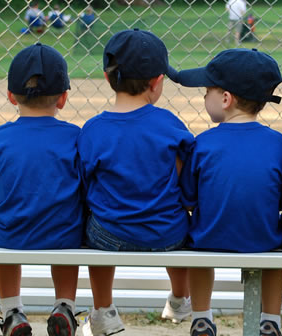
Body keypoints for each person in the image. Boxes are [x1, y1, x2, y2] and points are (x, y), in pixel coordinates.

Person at [78, 29, 194, 336]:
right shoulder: (169, 123)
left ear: (107, 78)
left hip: (109, 235)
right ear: (157, 83)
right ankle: (180, 297)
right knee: (180, 214)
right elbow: (185, 180)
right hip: (169, 235)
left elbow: (86, 184)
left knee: (92, 218)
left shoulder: (93, 129)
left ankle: (104, 310)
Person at [169, 48, 282, 336]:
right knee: (276, 256)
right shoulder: (279, 143)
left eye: (207, 90)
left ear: (225, 99)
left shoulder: (203, 143)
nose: (204, 96)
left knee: (196, 248)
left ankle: (201, 316)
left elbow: (188, 198)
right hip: (263, 240)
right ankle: (270, 320)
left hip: (209, 239)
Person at [0, 42, 86, 336]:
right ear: (63, 99)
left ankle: (12, 312)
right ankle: (64, 306)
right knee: (69, 230)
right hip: (64, 233)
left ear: (11, 96)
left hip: (13, 232)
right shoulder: (76, 137)